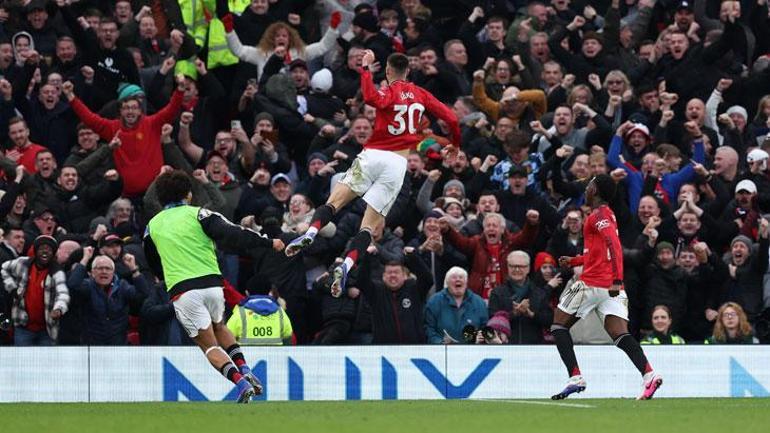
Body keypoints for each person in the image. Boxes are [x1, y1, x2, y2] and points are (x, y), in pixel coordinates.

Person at [284, 51, 461, 296]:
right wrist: (456, 144)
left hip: (373, 155)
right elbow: (452, 117)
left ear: (388, 72)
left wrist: (365, 69)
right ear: (408, 72)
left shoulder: (387, 92)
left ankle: (311, 232)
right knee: (368, 227)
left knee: (334, 202)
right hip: (397, 164)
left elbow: (368, 96)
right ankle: (346, 265)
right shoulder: (421, 94)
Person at [143, 170, 285, 403]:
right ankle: (245, 369)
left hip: (183, 290)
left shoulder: (152, 226)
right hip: (213, 286)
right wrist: (269, 242)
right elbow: (233, 233)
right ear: (188, 195)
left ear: (160, 198)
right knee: (220, 327)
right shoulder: (200, 214)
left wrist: (165, 276)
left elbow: (152, 260)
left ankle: (240, 383)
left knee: (208, 346)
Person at [551, 174, 663, 400]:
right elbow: (597, 252)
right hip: (610, 288)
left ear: (596, 190)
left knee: (558, 326)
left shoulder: (599, 215)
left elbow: (615, 246)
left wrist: (618, 279)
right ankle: (649, 374)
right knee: (619, 334)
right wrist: (574, 262)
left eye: (590, 184)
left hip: (594, 283)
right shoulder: (606, 214)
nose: (586, 188)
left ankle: (575, 377)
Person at [1, 235, 69, 346]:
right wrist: (11, 287)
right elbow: (3, 268)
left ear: (53, 253)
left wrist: (59, 309)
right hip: (23, 327)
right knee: (22, 360)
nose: (45, 252)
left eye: (49, 249)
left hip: (46, 329)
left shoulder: (57, 272)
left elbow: (63, 294)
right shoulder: (22, 263)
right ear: (36, 251)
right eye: (42, 248)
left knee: (45, 361)